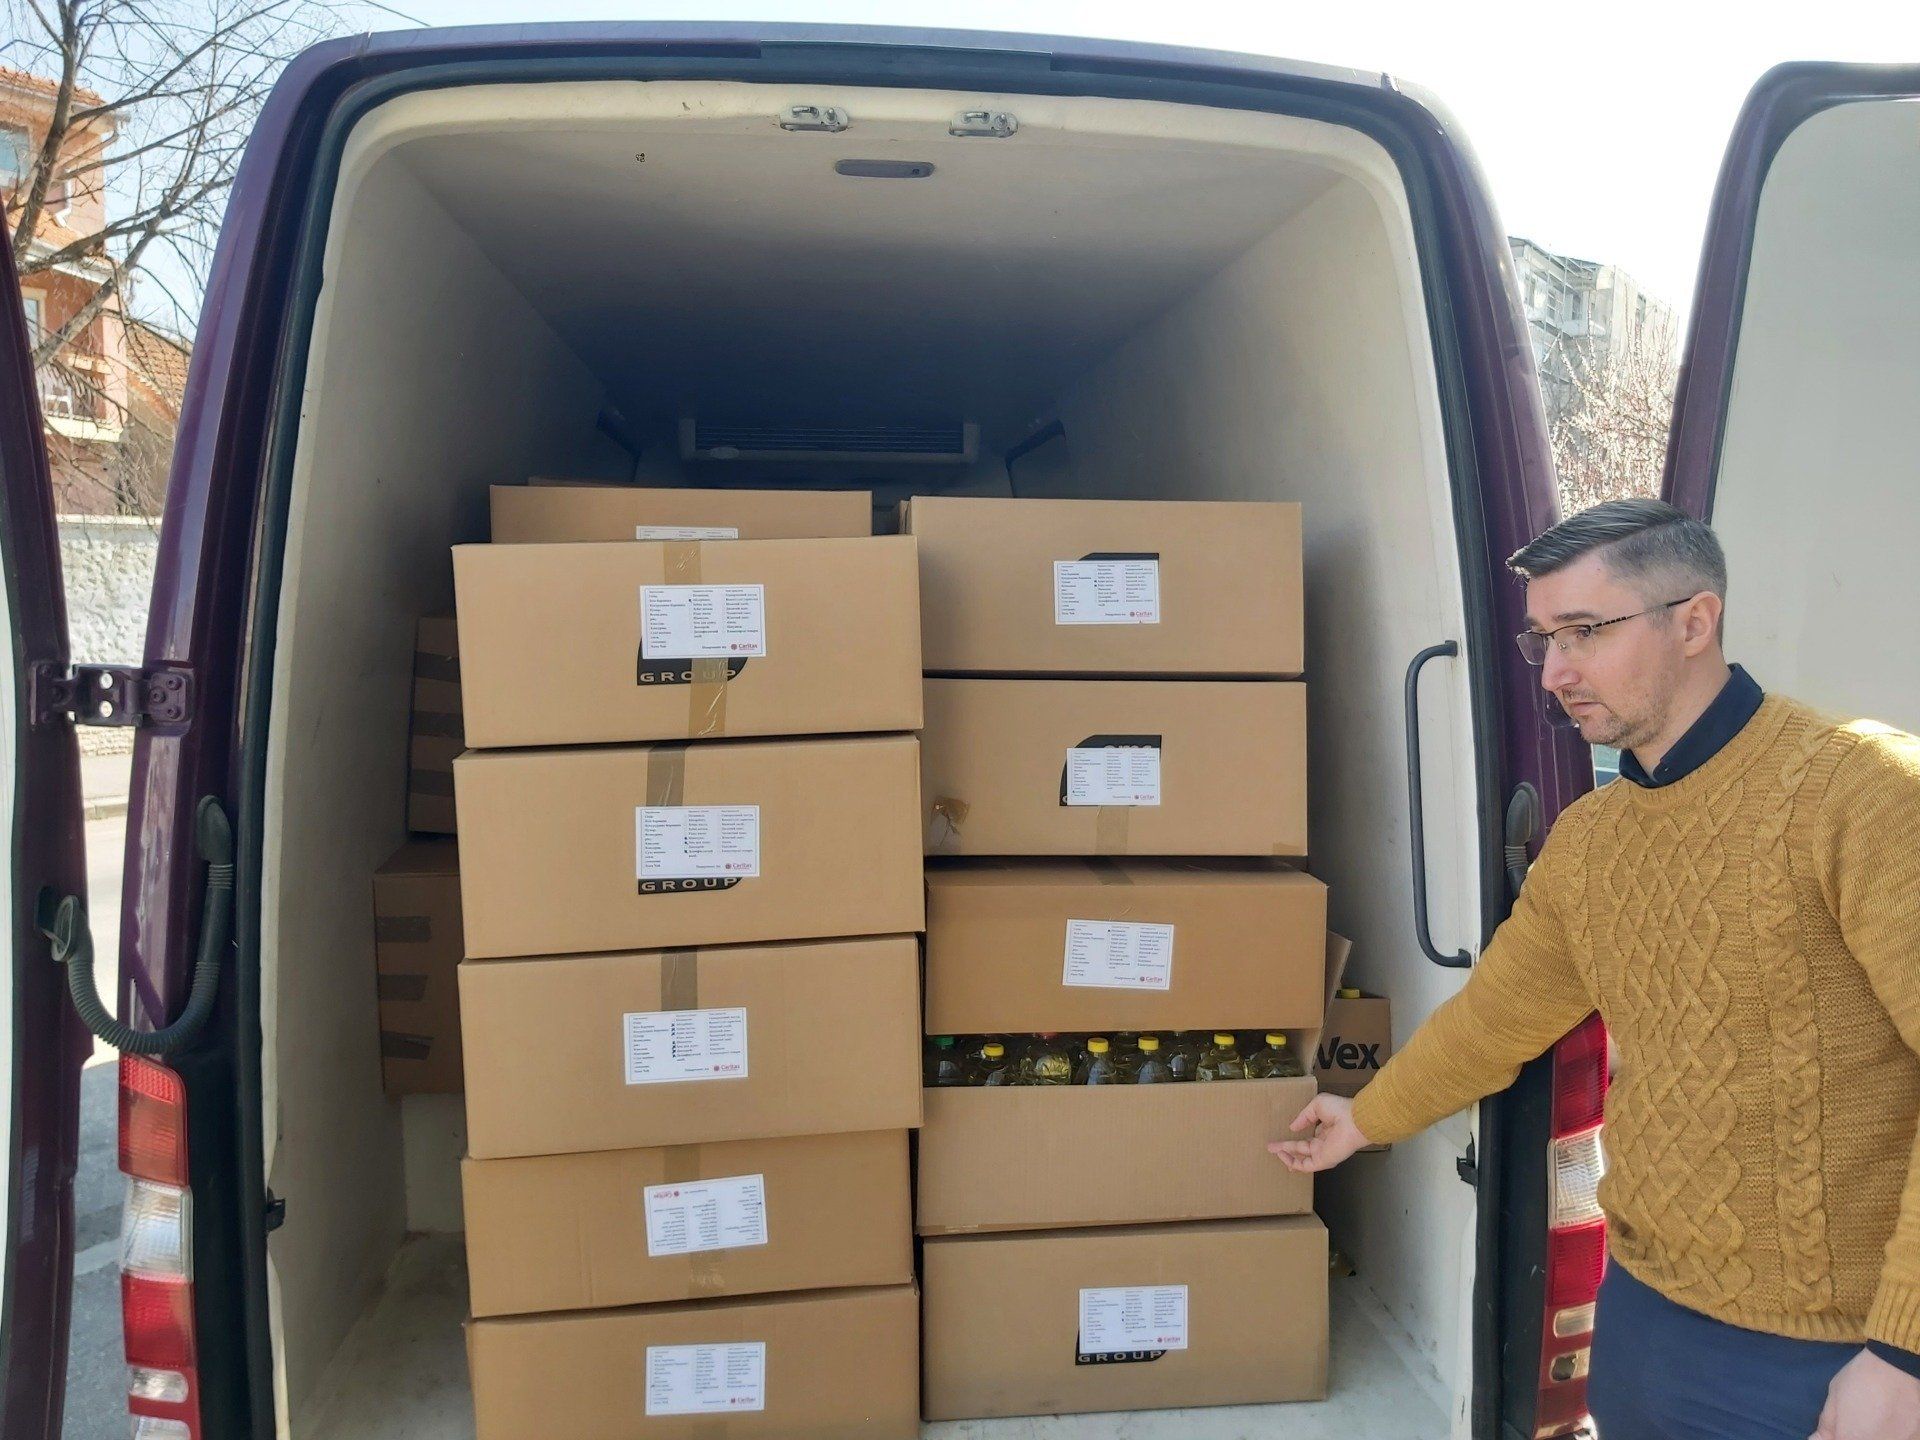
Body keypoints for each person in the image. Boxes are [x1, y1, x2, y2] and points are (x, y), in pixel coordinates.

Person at [1272, 499, 1920, 1440]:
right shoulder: (1589, 846)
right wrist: (1365, 1118)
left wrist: (1904, 1354)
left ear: (1695, 622)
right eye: (1543, 640)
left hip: (1842, 1357)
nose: (1555, 673)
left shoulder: (1867, 795)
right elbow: (1494, 1021)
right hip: (1646, 1319)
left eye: (1584, 631)